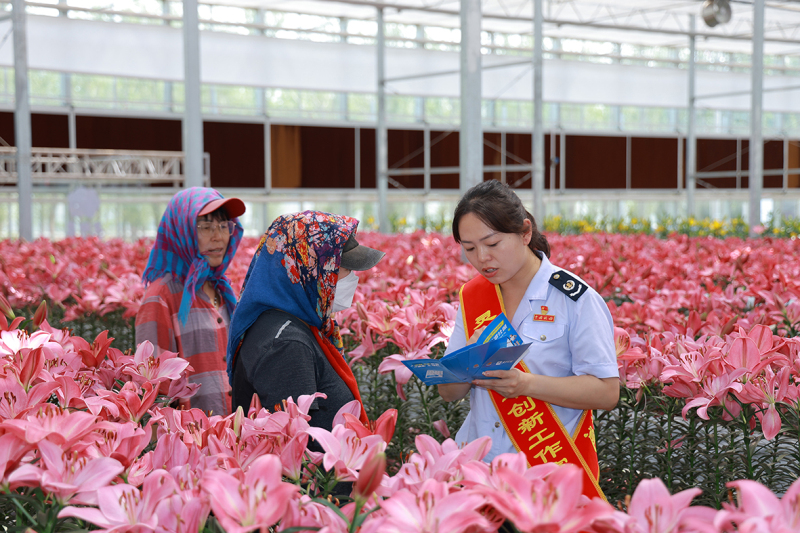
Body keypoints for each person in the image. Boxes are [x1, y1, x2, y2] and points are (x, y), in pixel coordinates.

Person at [438, 180, 619, 500]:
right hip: (480, 468)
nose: (482, 258)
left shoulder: (575, 299)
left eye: (492, 243)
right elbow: (449, 392)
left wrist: (526, 385)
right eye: (469, 248)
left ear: (525, 232)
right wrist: (469, 356)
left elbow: (606, 392)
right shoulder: (473, 296)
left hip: (547, 468)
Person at [227, 211, 385, 429]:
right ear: (309, 269)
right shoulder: (286, 345)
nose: (354, 277)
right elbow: (299, 446)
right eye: (344, 268)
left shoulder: (291, 324)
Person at [136, 187, 245, 417]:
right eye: (206, 227)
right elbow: (153, 390)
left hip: (232, 438)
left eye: (224, 226)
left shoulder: (222, 289)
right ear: (181, 230)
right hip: (192, 443)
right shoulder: (160, 298)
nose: (218, 236)